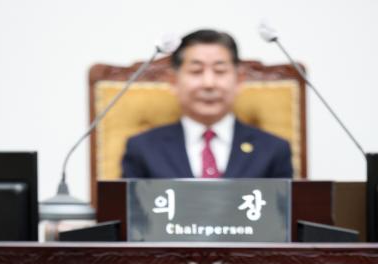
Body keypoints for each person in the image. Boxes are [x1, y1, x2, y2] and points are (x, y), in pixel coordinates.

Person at [121, 29, 293, 179]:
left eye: (220, 71)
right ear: (173, 80)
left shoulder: (273, 149)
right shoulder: (142, 149)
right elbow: (130, 206)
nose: (209, 83)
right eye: (196, 71)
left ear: (239, 79)